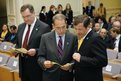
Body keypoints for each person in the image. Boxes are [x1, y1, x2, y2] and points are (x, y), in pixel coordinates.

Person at [12, 4, 51, 81]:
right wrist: (15, 50)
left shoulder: (44, 27)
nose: (26, 19)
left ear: (33, 13)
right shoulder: (20, 27)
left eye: (28, 16)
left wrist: (36, 51)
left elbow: (49, 48)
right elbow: (18, 44)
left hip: (37, 68)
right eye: (23, 17)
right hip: (23, 67)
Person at [37, 14, 78, 81]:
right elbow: (40, 57)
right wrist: (44, 63)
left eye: (63, 27)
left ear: (66, 24)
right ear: (53, 26)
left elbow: (75, 57)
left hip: (66, 77)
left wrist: (71, 66)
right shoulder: (45, 37)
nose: (61, 30)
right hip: (50, 77)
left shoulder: (73, 38)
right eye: (58, 28)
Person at [72, 15, 107, 81]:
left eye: (80, 29)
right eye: (76, 29)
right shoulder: (83, 36)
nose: (77, 32)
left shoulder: (96, 38)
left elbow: (102, 61)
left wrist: (81, 59)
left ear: (88, 26)